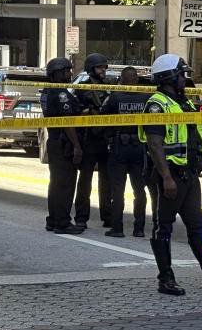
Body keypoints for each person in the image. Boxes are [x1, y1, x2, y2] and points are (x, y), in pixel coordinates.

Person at [139, 53, 202, 295]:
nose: (185, 79)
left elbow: (194, 134)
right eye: (181, 74)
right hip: (168, 175)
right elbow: (154, 144)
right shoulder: (156, 104)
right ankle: (165, 279)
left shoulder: (183, 103)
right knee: (162, 228)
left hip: (188, 174)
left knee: (197, 226)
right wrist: (166, 177)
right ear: (169, 77)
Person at [100, 66, 150, 238]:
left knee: (117, 190)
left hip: (119, 147)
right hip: (139, 148)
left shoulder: (114, 97)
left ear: (122, 80)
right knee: (140, 190)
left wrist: (109, 138)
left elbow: (102, 117)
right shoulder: (147, 98)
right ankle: (139, 228)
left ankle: (118, 228)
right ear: (136, 80)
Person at [40, 57, 85, 234]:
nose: (69, 74)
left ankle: (53, 219)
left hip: (55, 140)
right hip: (63, 143)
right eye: (66, 71)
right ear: (56, 73)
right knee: (65, 184)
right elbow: (67, 122)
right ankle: (62, 222)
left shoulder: (49, 91)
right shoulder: (60, 93)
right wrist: (77, 146)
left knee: (56, 184)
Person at [74, 53, 112, 229]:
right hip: (88, 139)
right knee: (85, 181)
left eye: (104, 67)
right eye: (99, 67)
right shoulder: (81, 89)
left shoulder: (110, 88)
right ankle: (81, 216)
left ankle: (108, 215)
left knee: (107, 181)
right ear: (91, 70)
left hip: (106, 139)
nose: (103, 70)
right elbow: (75, 113)